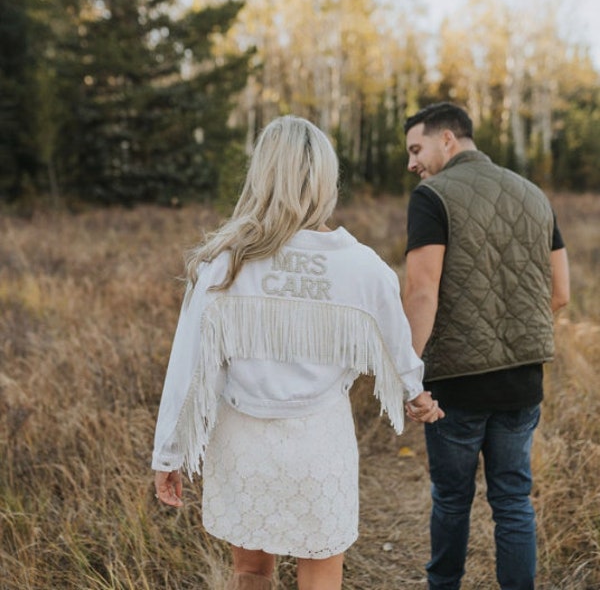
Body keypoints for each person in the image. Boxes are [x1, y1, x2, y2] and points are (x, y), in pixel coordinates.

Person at [151, 115, 444, 590]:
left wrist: (169, 453)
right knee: (321, 569)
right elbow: (398, 348)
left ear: (261, 175)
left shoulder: (225, 263)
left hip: (242, 441)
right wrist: (414, 394)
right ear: (326, 179)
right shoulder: (361, 267)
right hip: (319, 444)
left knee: (249, 572)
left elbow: (186, 365)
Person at [401, 102, 570, 590]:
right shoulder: (534, 194)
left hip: (457, 384)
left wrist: (408, 374)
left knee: (452, 499)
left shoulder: (432, 196)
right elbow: (559, 294)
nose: (412, 163)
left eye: (417, 149)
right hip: (523, 381)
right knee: (514, 498)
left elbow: (421, 292)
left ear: (447, 140)